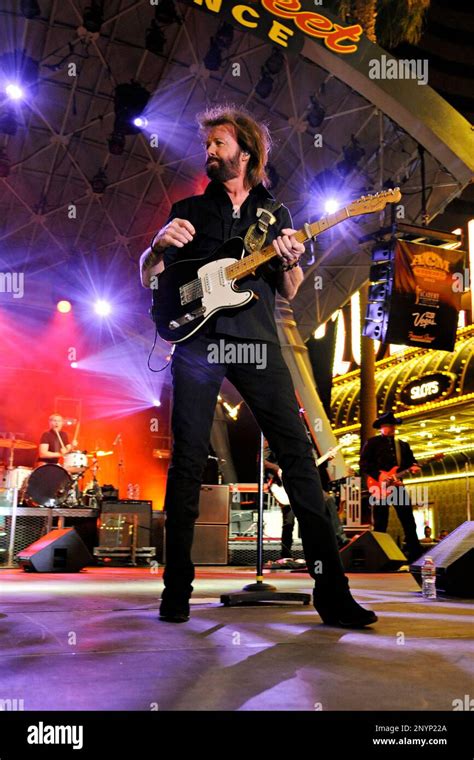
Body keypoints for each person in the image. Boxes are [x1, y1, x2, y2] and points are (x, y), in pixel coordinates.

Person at [140, 105, 376, 628]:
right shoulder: (188, 211)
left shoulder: (276, 215)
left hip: (256, 343)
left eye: (219, 144)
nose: (210, 153)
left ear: (245, 152)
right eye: (207, 146)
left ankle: (332, 593)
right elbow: (150, 276)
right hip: (199, 345)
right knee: (185, 465)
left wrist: (290, 262)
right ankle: (175, 591)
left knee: (298, 457)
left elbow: (287, 291)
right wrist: (155, 247)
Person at [264, 441, 349, 557]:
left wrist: (327, 459)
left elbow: (312, 464)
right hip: (284, 484)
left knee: (327, 500)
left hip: (304, 482)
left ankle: (340, 539)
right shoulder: (274, 441)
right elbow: (262, 461)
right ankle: (285, 555)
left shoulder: (305, 441)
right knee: (289, 520)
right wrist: (277, 469)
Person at [360, 411, 423, 562]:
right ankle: (379, 557)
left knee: (408, 520)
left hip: (397, 486)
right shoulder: (372, 443)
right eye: (387, 425)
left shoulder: (402, 445)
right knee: (381, 522)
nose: (391, 428)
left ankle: (415, 555)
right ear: (381, 427)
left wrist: (414, 468)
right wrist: (379, 475)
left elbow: (410, 463)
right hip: (378, 486)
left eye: (392, 425)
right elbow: (363, 464)